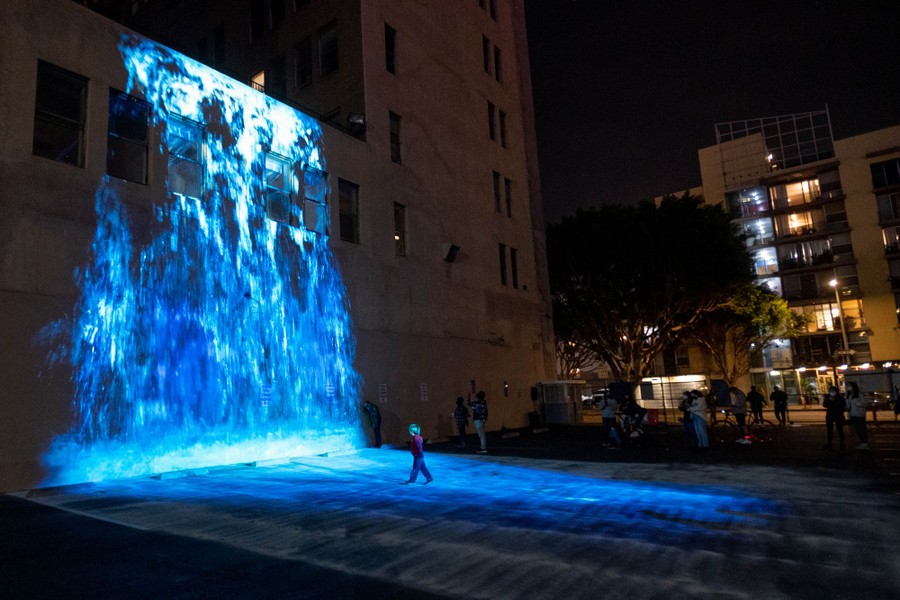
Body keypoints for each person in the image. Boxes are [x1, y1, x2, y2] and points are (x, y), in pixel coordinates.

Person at [822, 385, 846, 451]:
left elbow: (842, 405)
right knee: (829, 430)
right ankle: (829, 443)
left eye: (833, 391)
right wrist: (826, 400)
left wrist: (834, 401)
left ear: (836, 392)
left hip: (838, 416)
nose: (831, 392)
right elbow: (825, 405)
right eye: (830, 391)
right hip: (830, 416)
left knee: (840, 429)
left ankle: (842, 443)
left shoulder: (840, 398)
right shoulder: (828, 397)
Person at [846, 381, 869, 450]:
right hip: (853, 415)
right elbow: (849, 406)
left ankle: (864, 443)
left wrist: (859, 403)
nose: (847, 387)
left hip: (859, 415)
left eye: (849, 386)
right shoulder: (850, 395)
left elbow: (865, 403)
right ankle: (862, 442)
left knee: (861, 429)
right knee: (858, 430)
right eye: (847, 386)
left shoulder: (859, 394)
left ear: (853, 387)